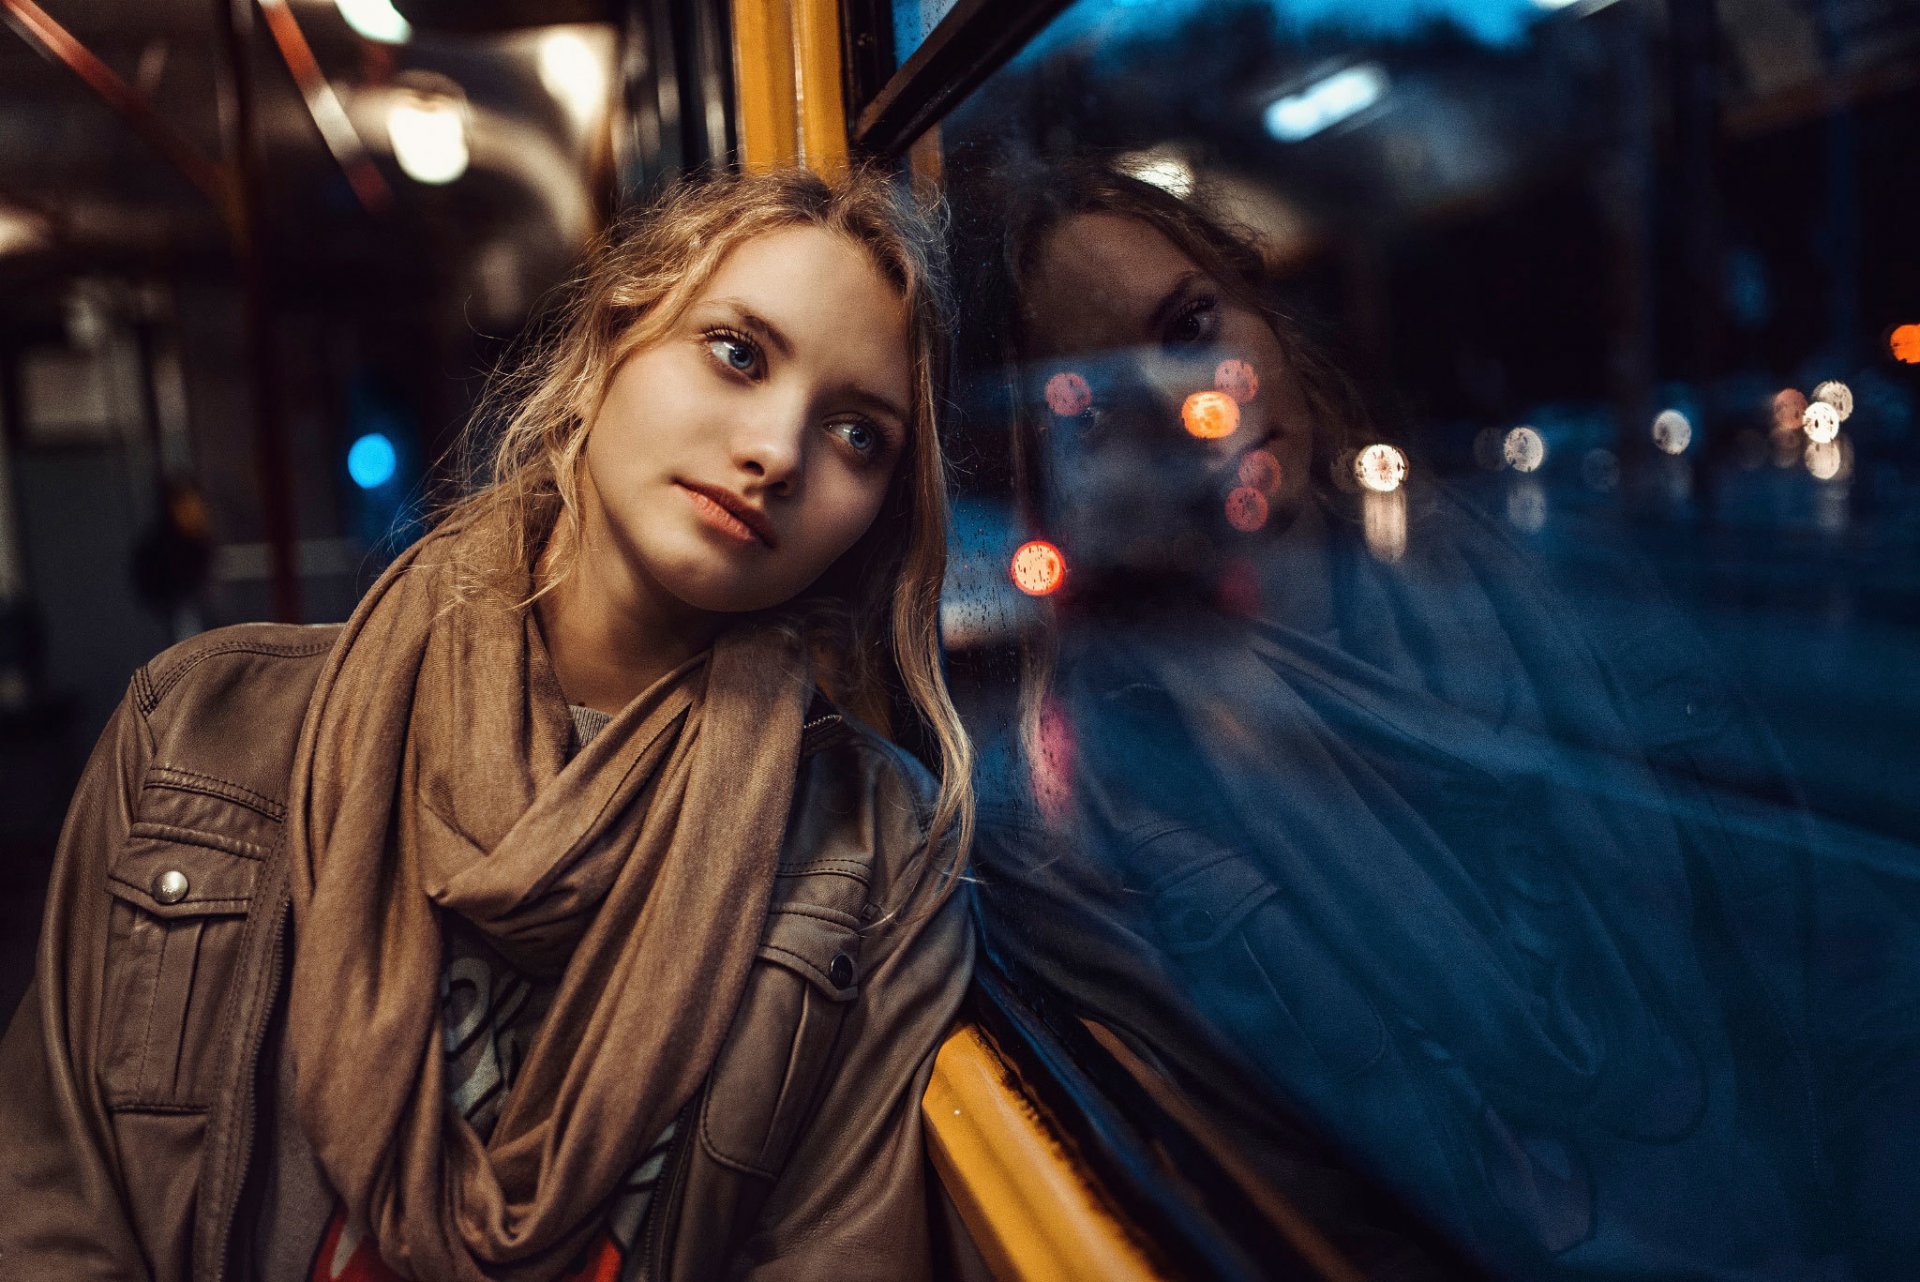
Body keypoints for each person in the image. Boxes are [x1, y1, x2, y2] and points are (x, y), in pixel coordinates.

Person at [948, 156, 1919, 1280]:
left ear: (1265, 315)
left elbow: (1835, 955)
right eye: (1101, 399)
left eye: (1193, 321)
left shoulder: (1539, 587)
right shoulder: (1091, 812)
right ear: (1037, 469)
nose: (1193, 400)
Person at [0, 166, 975, 1282]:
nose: (778, 451)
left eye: (859, 435)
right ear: (614, 337)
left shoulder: (881, 856)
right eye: (739, 352)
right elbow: (47, 1200)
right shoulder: (206, 729)